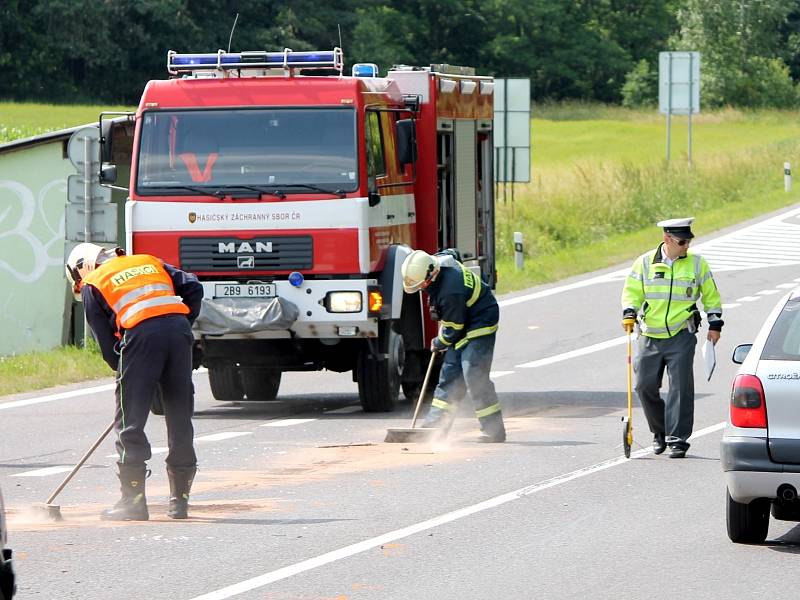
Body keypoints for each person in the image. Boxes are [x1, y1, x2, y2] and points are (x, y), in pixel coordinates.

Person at [65, 243, 203, 520]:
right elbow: (193, 287)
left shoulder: (93, 283)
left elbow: (107, 345)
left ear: (82, 268)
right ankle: (180, 502)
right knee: (179, 417)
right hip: (178, 333)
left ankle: (133, 501)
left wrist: (132, 379)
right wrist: (182, 323)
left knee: (130, 422)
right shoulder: (149, 261)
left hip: (141, 338)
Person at [621, 218, 723, 459]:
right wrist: (629, 311)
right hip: (649, 335)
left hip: (681, 335)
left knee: (681, 388)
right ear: (667, 239)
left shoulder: (697, 264)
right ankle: (660, 431)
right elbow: (631, 292)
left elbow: (710, 294)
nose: (686, 245)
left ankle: (678, 440)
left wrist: (715, 322)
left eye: (688, 241)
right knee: (644, 386)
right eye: (682, 241)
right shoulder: (644, 263)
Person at [401, 249, 506, 442]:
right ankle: (435, 428)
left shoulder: (451, 290)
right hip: (462, 319)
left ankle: (494, 430)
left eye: (422, 284)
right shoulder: (437, 262)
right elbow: (454, 252)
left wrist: (438, 342)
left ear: (431, 275)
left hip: (480, 321)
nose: (422, 288)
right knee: (449, 375)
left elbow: (453, 327)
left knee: (473, 373)